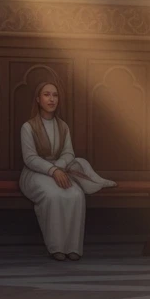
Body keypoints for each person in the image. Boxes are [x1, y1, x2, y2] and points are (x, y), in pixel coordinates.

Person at [19, 80, 116, 261]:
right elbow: (30, 158)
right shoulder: (28, 127)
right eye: (47, 95)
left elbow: (68, 153)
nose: (51, 99)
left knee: (76, 194)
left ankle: (72, 247)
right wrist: (53, 170)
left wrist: (60, 167)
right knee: (53, 195)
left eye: (55, 95)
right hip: (35, 174)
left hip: (60, 170)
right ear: (38, 99)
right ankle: (56, 247)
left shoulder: (63, 126)